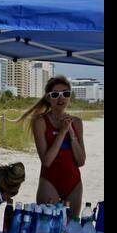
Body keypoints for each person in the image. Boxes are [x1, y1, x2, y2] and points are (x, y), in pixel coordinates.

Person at [20, 75, 86, 218]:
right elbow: (47, 161)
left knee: (70, 230)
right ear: (48, 98)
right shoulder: (40, 121)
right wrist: (62, 132)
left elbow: (80, 161)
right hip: (50, 181)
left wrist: (71, 133)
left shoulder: (76, 122)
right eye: (55, 94)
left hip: (73, 182)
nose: (61, 98)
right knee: (46, 230)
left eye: (66, 94)